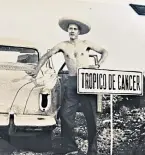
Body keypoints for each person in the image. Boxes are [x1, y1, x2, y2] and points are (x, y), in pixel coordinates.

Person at [27, 17, 108, 155]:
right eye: (70, 28)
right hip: (71, 82)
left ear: (79, 32)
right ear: (67, 31)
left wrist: (98, 65)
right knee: (65, 115)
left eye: (75, 29)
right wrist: (36, 70)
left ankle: (92, 150)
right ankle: (71, 147)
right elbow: (47, 55)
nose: (72, 31)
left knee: (91, 117)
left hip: (87, 82)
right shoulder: (63, 45)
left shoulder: (86, 43)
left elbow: (104, 51)